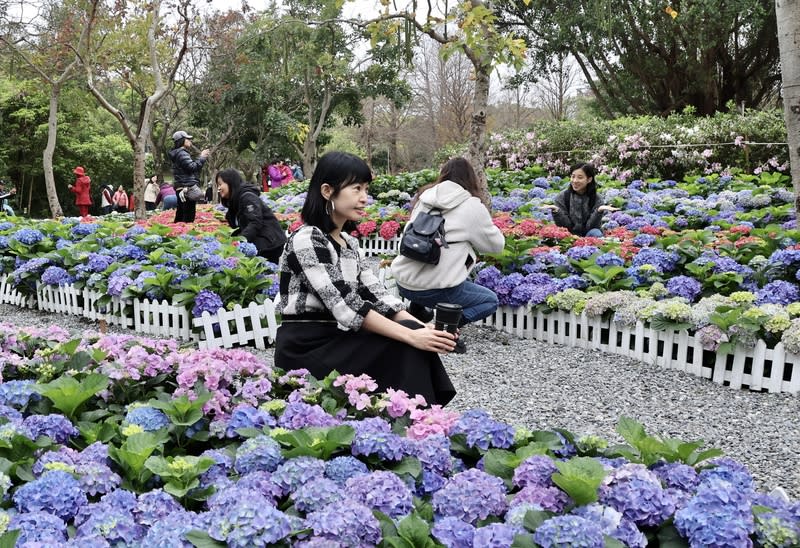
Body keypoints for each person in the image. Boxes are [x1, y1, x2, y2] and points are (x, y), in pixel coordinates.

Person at [275, 151, 457, 406]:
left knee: (411, 339)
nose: (364, 198)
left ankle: (415, 417)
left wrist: (420, 328)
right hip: (305, 348)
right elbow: (345, 305)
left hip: (335, 339)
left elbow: (378, 296)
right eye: (356, 188)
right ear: (327, 191)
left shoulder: (349, 243)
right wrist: (413, 335)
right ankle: (417, 419)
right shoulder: (306, 240)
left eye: (366, 189)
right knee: (407, 343)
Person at [391, 157, 505, 352]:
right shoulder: (471, 206)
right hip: (437, 290)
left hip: (403, 283)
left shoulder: (424, 198)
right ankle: (444, 330)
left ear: (442, 174)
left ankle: (417, 311)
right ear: (472, 179)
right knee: (490, 300)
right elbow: (495, 246)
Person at [215, 168, 287, 264]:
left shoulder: (247, 197)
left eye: (220, 184)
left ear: (230, 182)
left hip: (269, 245)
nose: (218, 188)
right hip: (258, 244)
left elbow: (255, 222)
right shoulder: (233, 202)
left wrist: (239, 242)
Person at [541, 162, 618, 237]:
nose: (575, 181)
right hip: (569, 237)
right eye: (573, 176)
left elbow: (591, 227)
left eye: (580, 177)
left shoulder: (596, 198)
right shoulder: (563, 197)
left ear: (589, 179)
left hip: (589, 236)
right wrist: (556, 211)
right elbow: (565, 227)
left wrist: (599, 211)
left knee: (596, 233)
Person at [169, 130, 209, 223]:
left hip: (181, 188)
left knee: (180, 216)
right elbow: (192, 167)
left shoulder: (177, 153)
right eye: (188, 139)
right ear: (182, 140)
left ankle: (178, 234)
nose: (190, 141)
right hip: (187, 189)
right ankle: (184, 236)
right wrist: (202, 157)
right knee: (188, 218)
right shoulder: (182, 153)